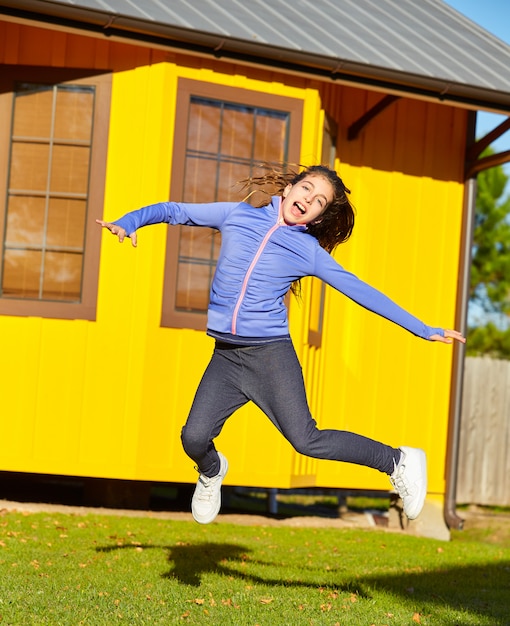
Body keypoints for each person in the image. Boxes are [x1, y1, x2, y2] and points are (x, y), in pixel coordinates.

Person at [97, 164, 465, 525]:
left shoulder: (307, 251)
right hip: (226, 357)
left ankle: (398, 461)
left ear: (319, 216)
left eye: (320, 201)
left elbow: (360, 290)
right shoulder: (236, 215)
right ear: (288, 190)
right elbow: (174, 210)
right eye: (307, 189)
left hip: (269, 356)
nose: (309, 200)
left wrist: (421, 328)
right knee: (193, 438)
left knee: (307, 441)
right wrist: (130, 221)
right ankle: (212, 470)